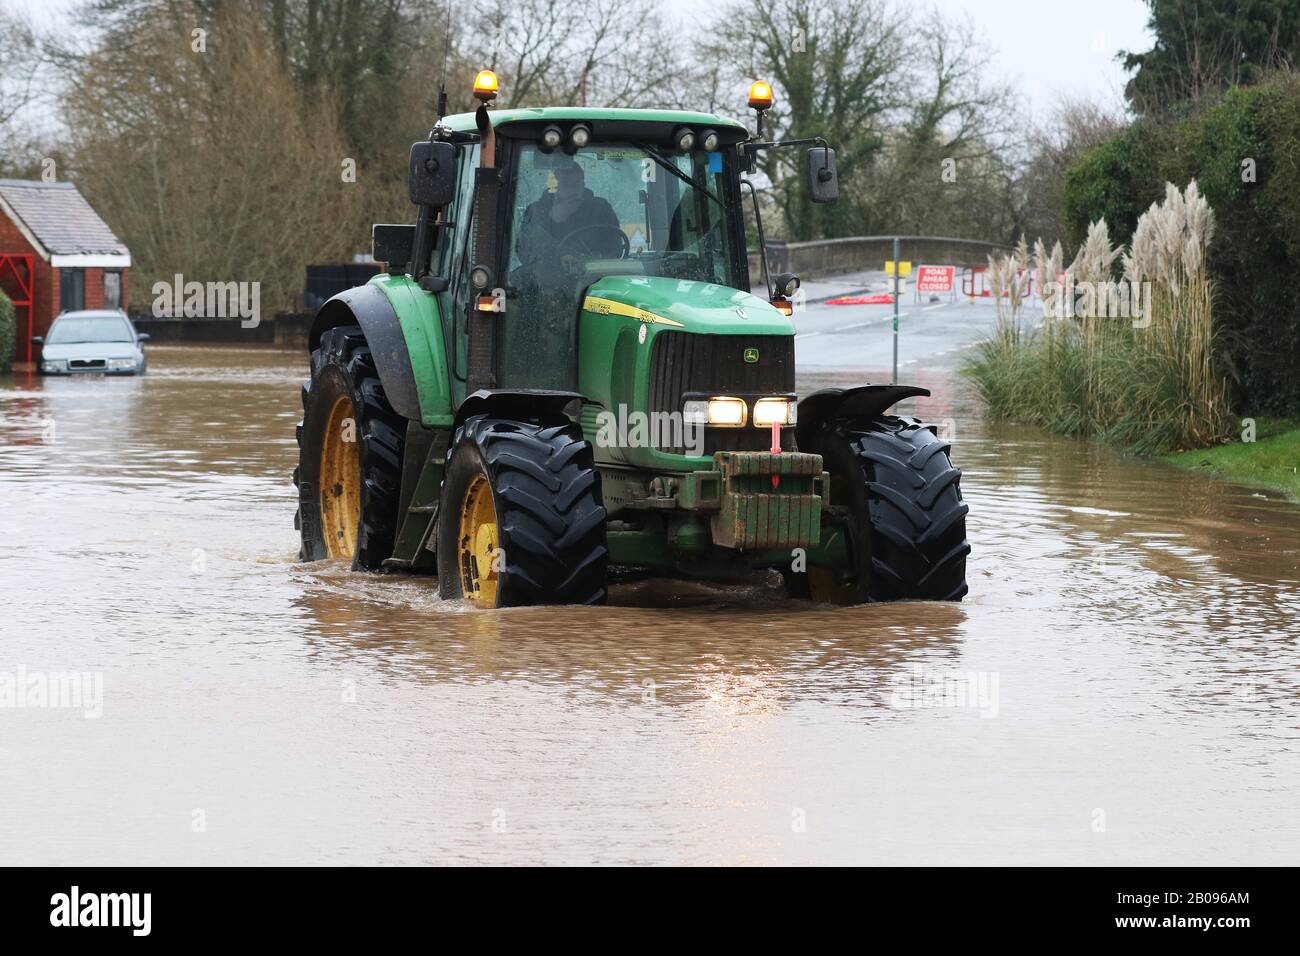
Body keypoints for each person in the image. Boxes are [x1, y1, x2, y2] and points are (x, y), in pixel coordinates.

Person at [515, 154, 624, 268]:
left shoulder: (601, 208)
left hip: (594, 275)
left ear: (583, 184)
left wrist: (595, 257)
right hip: (546, 278)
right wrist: (553, 220)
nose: (572, 190)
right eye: (566, 185)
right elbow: (525, 253)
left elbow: (615, 247)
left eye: (576, 184)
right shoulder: (536, 211)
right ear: (556, 185)